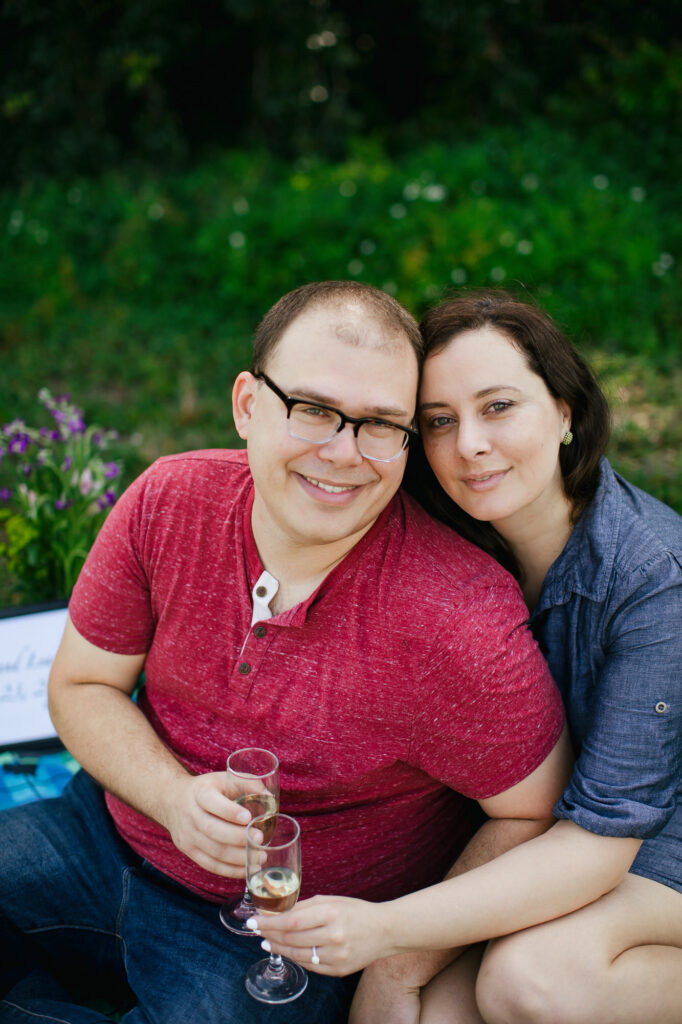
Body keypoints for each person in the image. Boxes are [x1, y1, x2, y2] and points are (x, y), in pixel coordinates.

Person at [0, 282, 570, 1024]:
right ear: (247, 404)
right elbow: (81, 684)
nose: (342, 454)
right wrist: (173, 799)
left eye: (379, 425)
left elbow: (536, 818)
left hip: (284, 936)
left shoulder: (454, 620)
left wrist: (400, 956)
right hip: (106, 834)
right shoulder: (168, 501)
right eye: (312, 410)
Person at [254, 289, 682, 1024]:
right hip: (553, 830)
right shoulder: (443, 540)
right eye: (440, 422)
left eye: (499, 407)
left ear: (567, 411)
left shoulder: (654, 577)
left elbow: (609, 828)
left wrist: (390, 946)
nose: (469, 446)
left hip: (647, 832)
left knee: (532, 983)